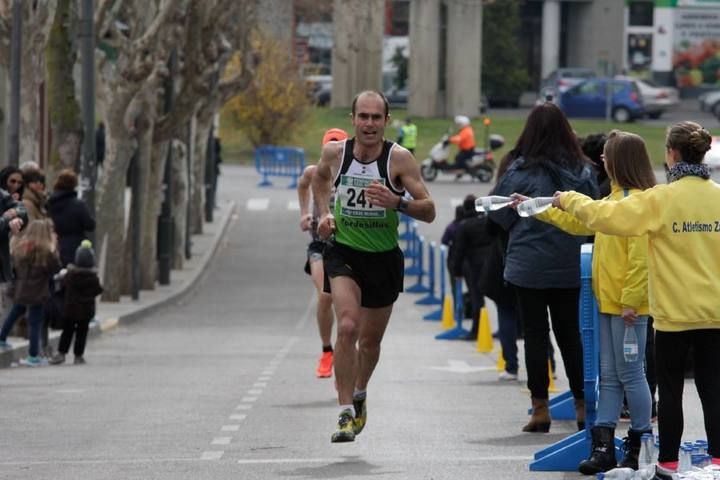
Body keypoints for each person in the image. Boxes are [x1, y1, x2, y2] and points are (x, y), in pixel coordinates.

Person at [551, 121, 720, 480]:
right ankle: (718, 463)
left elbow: (606, 216)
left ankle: (668, 466)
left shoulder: (660, 199)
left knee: (671, 391)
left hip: (674, 314)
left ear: (671, 155)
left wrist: (568, 198)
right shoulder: (718, 197)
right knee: (713, 389)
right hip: (715, 312)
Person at [525, 130, 655, 474]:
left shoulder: (637, 202)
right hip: (609, 304)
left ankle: (639, 444)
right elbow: (578, 220)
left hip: (630, 309)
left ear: (619, 161)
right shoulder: (611, 200)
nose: (603, 161)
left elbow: (641, 260)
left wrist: (631, 300)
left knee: (632, 374)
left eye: (606, 155)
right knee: (610, 377)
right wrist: (537, 208)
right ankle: (603, 445)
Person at [312, 90, 436, 443]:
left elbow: (429, 210)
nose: (369, 124)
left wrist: (397, 202)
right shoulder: (336, 154)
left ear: (386, 121)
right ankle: (344, 412)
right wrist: (324, 215)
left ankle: (361, 393)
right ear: (352, 119)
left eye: (375, 118)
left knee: (368, 343)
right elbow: (319, 179)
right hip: (344, 253)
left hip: (383, 258)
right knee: (347, 327)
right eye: (363, 117)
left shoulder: (399, 160)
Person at [488, 102, 599, 433]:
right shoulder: (583, 170)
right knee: (571, 336)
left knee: (535, 336)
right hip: (570, 263)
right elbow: (593, 211)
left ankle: (540, 409)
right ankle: (582, 406)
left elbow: (498, 213)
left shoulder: (517, 171)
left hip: (528, 264)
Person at [297, 127, 349, 378]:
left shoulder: (352, 173)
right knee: (326, 296)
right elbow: (302, 185)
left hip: (347, 246)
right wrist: (304, 214)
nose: (335, 152)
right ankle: (327, 350)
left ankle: (344, 351)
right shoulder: (313, 172)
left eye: (340, 147)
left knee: (347, 305)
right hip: (319, 244)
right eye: (332, 146)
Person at [0, 219, 61, 366]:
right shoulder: (45, 252)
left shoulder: (21, 248)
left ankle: (2, 338)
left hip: (22, 290)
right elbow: (55, 269)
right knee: (34, 323)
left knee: (14, 314)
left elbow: (14, 266)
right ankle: (33, 355)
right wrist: (54, 248)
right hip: (38, 292)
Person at [49, 240, 103, 365]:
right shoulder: (93, 278)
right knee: (82, 333)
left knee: (67, 331)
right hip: (86, 311)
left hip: (71, 309)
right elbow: (98, 290)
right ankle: (78, 355)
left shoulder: (70, 275)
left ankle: (61, 353)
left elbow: (61, 285)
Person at [451, 194, 493, 340]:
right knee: (503, 299)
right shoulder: (487, 221)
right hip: (492, 263)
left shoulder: (465, 226)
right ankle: (516, 329)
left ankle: (476, 330)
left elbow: (459, 250)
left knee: (477, 298)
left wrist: (456, 270)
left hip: (474, 265)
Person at [46, 169, 96, 267]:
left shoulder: (49, 204)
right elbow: (90, 225)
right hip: (76, 248)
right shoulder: (78, 205)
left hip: (54, 245)